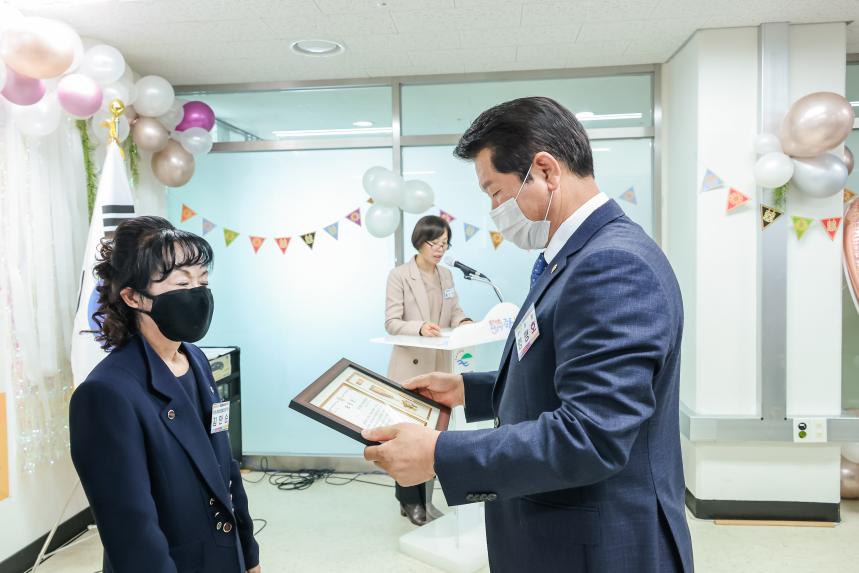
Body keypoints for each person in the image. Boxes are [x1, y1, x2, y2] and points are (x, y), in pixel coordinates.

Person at [363, 97, 694, 572]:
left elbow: (591, 435)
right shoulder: (576, 257)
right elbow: (562, 371)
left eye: (496, 192)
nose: (495, 210)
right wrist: (469, 390)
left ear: (544, 171)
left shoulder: (611, 264)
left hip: (598, 545)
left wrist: (441, 454)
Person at [69, 216, 261, 573]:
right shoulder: (106, 394)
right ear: (133, 296)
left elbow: (224, 468)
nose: (198, 293)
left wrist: (248, 553)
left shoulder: (196, 359)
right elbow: (130, 530)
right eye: (182, 283)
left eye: (203, 281)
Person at [384, 215, 471, 526]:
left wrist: (464, 322)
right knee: (408, 436)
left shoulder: (446, 275)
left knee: (434, 437)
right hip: (410, 367)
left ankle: (427, 500)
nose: (439, 249)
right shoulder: (399, 276)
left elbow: (455, 311)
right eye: (434, 243)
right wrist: (420, 327)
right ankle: (409, 501)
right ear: (419, 242)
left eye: (444, 244)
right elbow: (391, 322)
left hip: (440, 368)